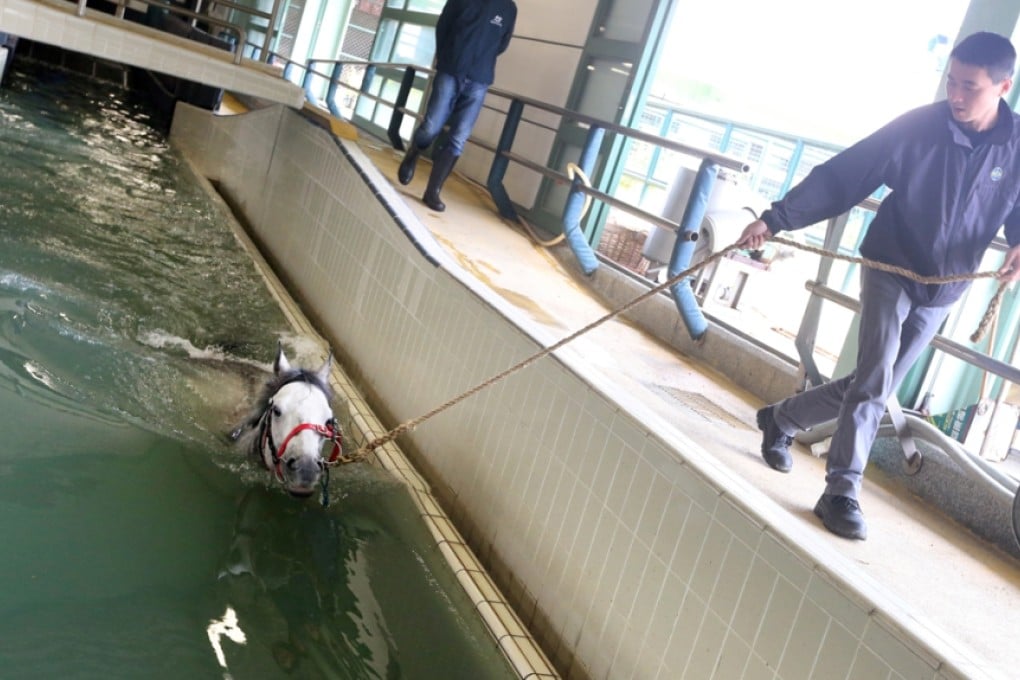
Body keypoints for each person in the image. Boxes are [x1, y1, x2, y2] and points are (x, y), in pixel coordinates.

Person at [737, 31, 1020, 541]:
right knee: (871, 381)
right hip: (891, 265)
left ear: (1004, 86)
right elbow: (846, 175)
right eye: (951, 81)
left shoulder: (1018, 145)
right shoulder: (919, 128)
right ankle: (840, 492)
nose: (955, 95)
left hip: (946, 285)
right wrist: (776, 219)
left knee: (877, 383)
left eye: (970, 87)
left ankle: (781, 419)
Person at [397, 0, 517, 212]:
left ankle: (432, 192)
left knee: (459, 137)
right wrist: (448, 58)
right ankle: (413, 153)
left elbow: (502, 44)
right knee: (431, 126)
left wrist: (480, 61)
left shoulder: (508, 8)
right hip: (450, 70)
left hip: (480, 78)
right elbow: (443, 27)